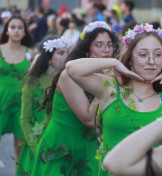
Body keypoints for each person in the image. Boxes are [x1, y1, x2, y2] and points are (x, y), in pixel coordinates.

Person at [66, 23, 162, 175]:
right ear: (130, 59)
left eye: (158, 54)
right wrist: (114, 62)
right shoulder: (110, 89)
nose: (151, 61)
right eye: (143, 54)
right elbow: (72, 69)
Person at [30, 21, 120, 176]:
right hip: (61, 146)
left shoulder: (112, 74)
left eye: (109, 45)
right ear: (86, 51)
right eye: (99, 45)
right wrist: (106, 82)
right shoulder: (69, 76)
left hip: (89, 145)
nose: (106, 50)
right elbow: (89, 120)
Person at [16, 36, 72, 175]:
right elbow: (24, 119)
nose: (66, 56)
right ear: (48, 57)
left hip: (65, 142)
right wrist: (36, 147)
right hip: (41, 143)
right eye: (61, 52)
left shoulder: (71, 81)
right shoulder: (32, 83)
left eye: (68, 52)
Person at [0, 15, 34, 170]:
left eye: (20, 28)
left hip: (22, 104)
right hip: (1, 101)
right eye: (13, 27)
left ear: (25, 32)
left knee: (20, 147)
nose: (16, 31)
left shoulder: (31, 53)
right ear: (6, 30)